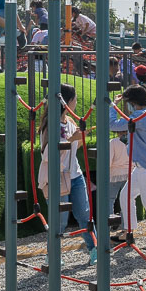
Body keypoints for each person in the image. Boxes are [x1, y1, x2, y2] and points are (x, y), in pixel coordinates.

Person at [38, 83, 96, 264]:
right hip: (57, 176)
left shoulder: (69, 122)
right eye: (75, 99)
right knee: (59, 220)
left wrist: (77, 138)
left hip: (75, 174)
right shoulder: (50, 126)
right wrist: (72, 139)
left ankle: (94, 249)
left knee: (85, 215)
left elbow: (72, 148)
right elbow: (48, 155)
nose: (76, 103)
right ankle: (53, 254)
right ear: (67, 101)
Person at [108, 85, 146, 240]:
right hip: (145, 165)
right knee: (125, 195)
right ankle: (128, 232)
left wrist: (112, 106)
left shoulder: (140, 117)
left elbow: (112, 125)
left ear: (132, 102)